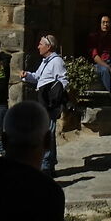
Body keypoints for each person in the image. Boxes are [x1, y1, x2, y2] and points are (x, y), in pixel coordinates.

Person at [22, 35, 69, 173]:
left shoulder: (57, 62)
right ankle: (50, 164)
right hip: (43, 101)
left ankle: (46, 166)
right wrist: (27, 76)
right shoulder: (45, 62)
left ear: (48, 47)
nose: (38, 46)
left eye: (41, 44)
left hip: (50, 104)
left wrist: (55, 96)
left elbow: (63, 81)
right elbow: (38, 77)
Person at [81, 15, 111, 87]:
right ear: (99, 24)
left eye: (107, 22)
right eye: (103, 22)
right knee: (104, 70)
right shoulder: (93, 37)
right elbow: (95, 56)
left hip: (109, 61)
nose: (105, 25)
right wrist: (108, 67)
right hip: (97, 64)